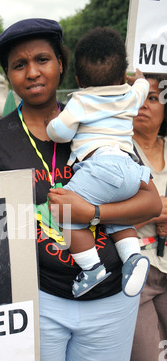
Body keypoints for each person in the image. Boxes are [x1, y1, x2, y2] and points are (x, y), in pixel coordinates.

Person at [0, 18, 162, 361]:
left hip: (111, 303)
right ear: (8, 76)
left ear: (62, 64)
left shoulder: (103, 121)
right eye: (19, 64)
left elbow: (150, 203)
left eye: (42, 59)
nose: (32, 71)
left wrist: (91, 210)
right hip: (36, 304)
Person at [46, 27, 150, 298]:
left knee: (66, 212)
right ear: (121, 76)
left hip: (100, 167)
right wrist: (137, 79)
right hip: (131, 169)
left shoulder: (82, 100)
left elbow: (60, 132)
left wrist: (52, 125)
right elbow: (143, 86)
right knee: (119, 216)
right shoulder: (130, 94)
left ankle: (91, 268)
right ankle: (133, 258)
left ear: (79, 79)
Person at [113, 75, 167, 361]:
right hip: (135, 274)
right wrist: (153, 211)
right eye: (138, 97)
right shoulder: (113, 150)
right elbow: (90, 215)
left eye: (154, 97)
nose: (145, 104)